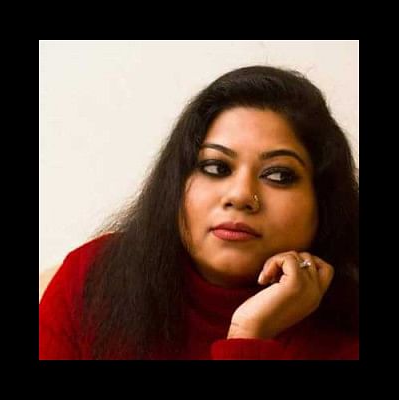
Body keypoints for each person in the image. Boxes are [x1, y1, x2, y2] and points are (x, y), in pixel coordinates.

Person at [39, 65, 359, 360]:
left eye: (279, 175)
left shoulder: (346, 336)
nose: (240, 196)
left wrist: (249, 336)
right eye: (216, 167)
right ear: (177, 185)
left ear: (323, 201)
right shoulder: (92, 282)